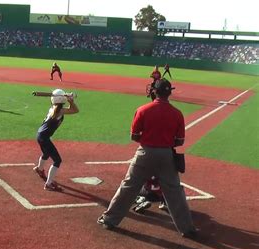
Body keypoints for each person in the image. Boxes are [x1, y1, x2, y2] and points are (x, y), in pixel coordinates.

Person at [97, 78, 198, 238]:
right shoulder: (177, 113)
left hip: (145, 153)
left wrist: (149, 141)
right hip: (167, 155)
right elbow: (179, 141)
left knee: (129, 186)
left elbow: (134, 136)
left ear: (154, 92)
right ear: (169, 93)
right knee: (174, 191)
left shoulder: (143, 110)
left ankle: (110, 220)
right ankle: (187, 229)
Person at [33, 89, 79, 191]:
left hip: (40, 135)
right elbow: (75, 110)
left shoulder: (53, 109)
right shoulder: (59, 111)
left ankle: (39, 169)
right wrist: (71, 101)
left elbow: (68, 109)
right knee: (57, 160)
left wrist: (69, 100)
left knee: (46, 153)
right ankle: (48, 184)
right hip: (44, 137)